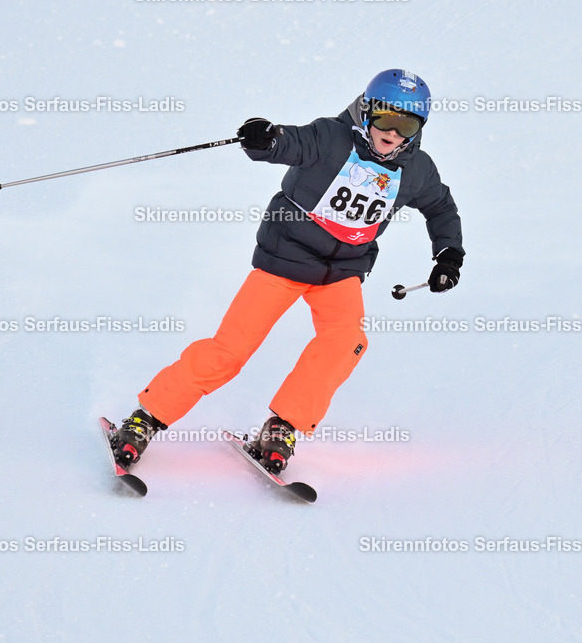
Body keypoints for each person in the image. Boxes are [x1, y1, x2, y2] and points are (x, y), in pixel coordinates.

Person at [109, 69, 465, 474]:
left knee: (346, 341)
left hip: (342, 272)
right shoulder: (330, 138)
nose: (393, 132)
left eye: (407, 124)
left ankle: (283, 426)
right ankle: (147, 418)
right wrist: (265, 138)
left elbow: (440, 206)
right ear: (366, 112)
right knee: (230, 350)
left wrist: (449, 254)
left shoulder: (417, 170)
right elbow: (288, 144)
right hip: (286, 259)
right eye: (385, 118)